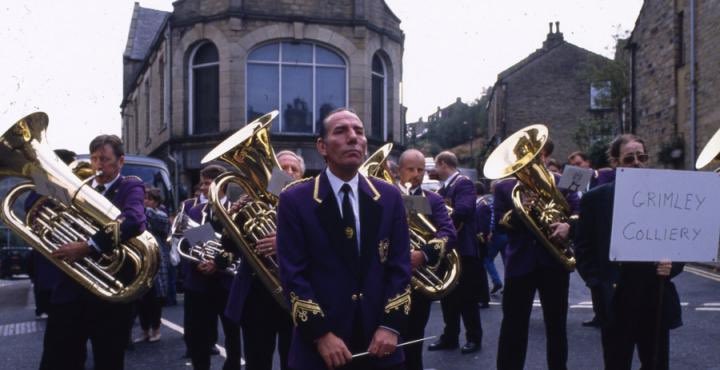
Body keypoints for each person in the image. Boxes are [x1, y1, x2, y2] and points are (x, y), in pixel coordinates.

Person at [276, 108, 411, 370]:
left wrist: (390, 326)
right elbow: (293, 275)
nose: (353, 137)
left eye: (359, 132)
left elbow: (400, 267)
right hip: (320, 351)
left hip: (381, 345)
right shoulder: (295, 200)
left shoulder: (389, 196)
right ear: (322, 146)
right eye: (341, 131)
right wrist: (320, 334)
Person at [574, 134, 683, 370]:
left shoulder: (665, 196)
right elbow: (583, 247)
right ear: (615, 162)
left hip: (655, 294)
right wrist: (596, 281)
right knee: (616, 363)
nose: (637, 162)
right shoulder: (596, 199)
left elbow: (679, 239)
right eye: (629, 158)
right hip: (616, 297)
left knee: (656, 364)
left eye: (642, 157)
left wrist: (672, 264)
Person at [41, 135, 146, 370]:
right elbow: (34, 206)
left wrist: (89, 246)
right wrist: (43, 181)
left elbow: (134, 221)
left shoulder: (130, 185)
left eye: (105, 159)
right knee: (56, 361)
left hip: (108, 295)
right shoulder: (78, 188)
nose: (98, 164)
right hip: (69, 291)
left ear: (120, 161)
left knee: (108, 361)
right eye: (94, 158)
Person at [494, 136, 578, 370]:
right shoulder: (504, 187)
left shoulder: (563, 182)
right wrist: (523, 212)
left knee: (556, 326)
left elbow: (578, 212)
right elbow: (500, 224)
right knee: (513, 326)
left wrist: (568, 226)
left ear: (545, 156)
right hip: (520, 263)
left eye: (538, 154)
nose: (533, 160)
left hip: (554, 261)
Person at [224, 150, 303, 370]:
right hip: (256, 294)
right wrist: (233, 220)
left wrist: (285, 242)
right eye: (282, 168)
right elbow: (229, 247)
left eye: (293, 169)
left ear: (301, 175)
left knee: (294, 361)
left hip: (296, 293)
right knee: (256, 362)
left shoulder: (310, 203)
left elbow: (322, 243)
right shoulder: (253, 201)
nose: (287, 172)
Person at [396, 149, 456, 370]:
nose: (416, 174)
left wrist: (423, 254)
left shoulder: (433, 199)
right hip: (386, 282)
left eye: (420, 169)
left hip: (417, 285)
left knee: (413, 344)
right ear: (399, 170)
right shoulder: (385, 195)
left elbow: (449, 233)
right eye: (410, 169)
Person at [183, 164, 242, 370]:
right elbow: (194, 244)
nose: (203, 188)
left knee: (232, 333)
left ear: (221, 185)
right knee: (198, 335)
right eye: (202, 183)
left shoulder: (237, 208)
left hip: (227, 283)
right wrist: (202, 261)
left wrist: (217, 264)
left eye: (207, 183)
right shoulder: (196, 210)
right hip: (199, 283)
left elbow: (239, 245)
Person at [428, 151, 483, 355]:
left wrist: (439, 222)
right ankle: (450, 336)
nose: (435, 169)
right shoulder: (444, 187)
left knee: (468, 298)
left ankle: (473, 338)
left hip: (464, 249)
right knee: (448, 297)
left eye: (436, 165)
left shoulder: (463, 183)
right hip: (449, 249)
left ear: (443, 164)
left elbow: (464, 209)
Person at [134, 187, 170, 343]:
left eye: (148, 199)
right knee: (141, 299)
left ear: (156, 202)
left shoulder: (160, 214)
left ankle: (156, 330)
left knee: (155, 300)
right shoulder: (141, 213)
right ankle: (144, 331)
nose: (145, 201)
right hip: (141, 260)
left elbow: (160, 221)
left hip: (156, 261)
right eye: (144, 199)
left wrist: (138, 206)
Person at [476, 181, 504, 296]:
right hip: (506, 233)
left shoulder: (491, 201)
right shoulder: (505, 199)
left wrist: (490, 231)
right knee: (508, 261)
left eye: (492, 188)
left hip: (497, 234)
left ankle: (496, 281)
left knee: (487, 259)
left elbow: (492, 217)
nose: (491, 190)